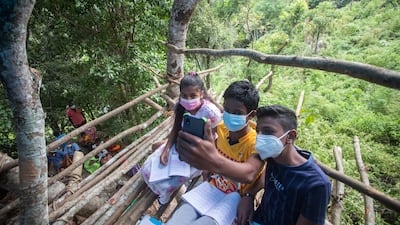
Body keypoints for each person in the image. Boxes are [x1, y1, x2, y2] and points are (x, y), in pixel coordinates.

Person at [166, 80, 265, 225]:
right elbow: (213, 146)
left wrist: (212, 163)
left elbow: (249, 174)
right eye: (227, 110)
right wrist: (208, 167)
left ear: (251, 115)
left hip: (235, 196)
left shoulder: (257, 143)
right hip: (211, 187)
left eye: (237, 113)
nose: (230, 115)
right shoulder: (221, 128)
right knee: (176, 221)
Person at [140, 71, 223, 205]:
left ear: (201, 94)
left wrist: (210, 160)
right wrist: (167, 149)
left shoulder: (211, 112)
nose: (189, 100)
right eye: (184, 96)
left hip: (202, 152)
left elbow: (217, 138)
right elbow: (175, 129)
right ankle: (162, 187)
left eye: (193, 95)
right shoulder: (181, 106)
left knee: (171, 180)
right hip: (181, 144)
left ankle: (165, 195)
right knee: (148, 168)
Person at [250, 105, 331, 225]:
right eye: (258, 131)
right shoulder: (272, 156)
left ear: (291, 136)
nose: (260, 137)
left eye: (268, 131)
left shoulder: (316, 185)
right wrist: (248, 196)